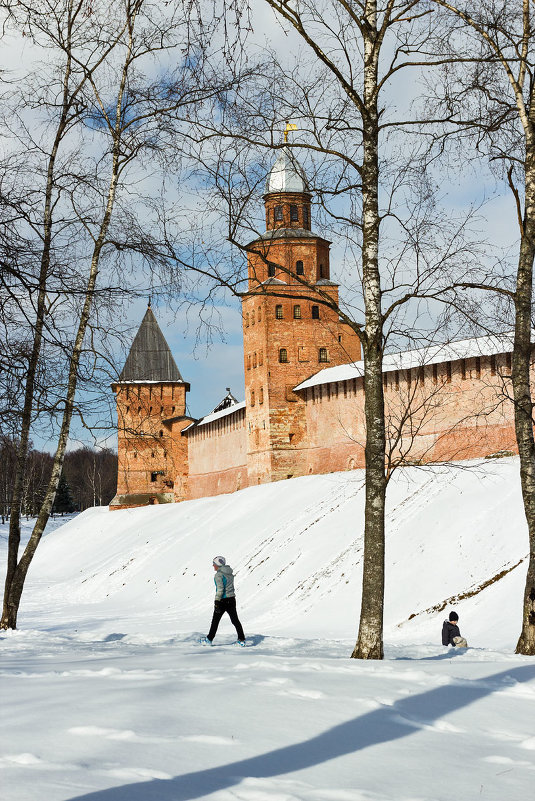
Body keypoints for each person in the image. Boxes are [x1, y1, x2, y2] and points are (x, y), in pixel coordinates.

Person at [200, 556, 246, 646]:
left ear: (218, 564)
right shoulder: (230, 573)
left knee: (215, 621)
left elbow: (220, 589)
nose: (213, 565)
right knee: (235, 620)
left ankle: (209, 640)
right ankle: (241, 640)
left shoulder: (219, 575)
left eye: (214, 564)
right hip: (232, 599)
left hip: (222, 601)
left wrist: (217, 601)